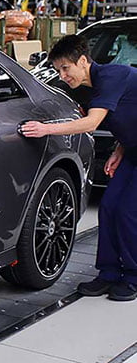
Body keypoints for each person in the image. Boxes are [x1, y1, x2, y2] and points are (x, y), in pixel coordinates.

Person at [21, 34, 137, 301]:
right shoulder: (95, 86)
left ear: (83, 61)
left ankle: (133, 276)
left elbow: (92, 123)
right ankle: (108, 273)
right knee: (108, 208)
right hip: (132, 151)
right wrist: (119, 149)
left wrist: (45, 129)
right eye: (58, 70)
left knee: (128, 212)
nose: (63, 76)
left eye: (66, 68)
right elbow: (131, 114)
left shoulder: (112, 76)